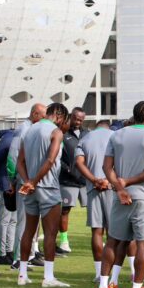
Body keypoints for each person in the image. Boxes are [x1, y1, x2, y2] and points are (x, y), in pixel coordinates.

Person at [96, 102, 144, 288]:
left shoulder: (116, 134)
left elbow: (107, 167)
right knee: (143, 243)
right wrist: (128, 182)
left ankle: (103, 286)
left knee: (113, 240)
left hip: (120, 197)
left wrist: (120, 188)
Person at [16, 103, 70, 288]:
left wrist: (27, 181)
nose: (63, 122)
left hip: (30, 188)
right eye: (63, 118)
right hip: (47, 187)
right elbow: (50, 159)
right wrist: (34, 181)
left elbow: (19, 161)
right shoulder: (56, 131)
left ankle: (22, 275)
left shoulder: (30, 129)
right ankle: (48, 277)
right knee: (50, 233)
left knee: (28, 231)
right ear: (58, 115)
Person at [8, 103, 46, 269]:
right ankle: (17, 259)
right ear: (35, 114)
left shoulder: (33, 129)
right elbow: (13, 156)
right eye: (43, 115)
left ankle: (28, 255)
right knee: (23, 221)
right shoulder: (24, 130)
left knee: (32, 221)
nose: (45, 119)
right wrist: (12, 179)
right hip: (24, 182)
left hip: (31, 182)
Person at [75, 120, 114, 283]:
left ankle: (99, 273)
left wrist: (94, 180)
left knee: (97, 231)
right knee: (116, 233)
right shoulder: (115, 136)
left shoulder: (84, 139)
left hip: (93, 189)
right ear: (108, 126)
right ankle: (115, 273)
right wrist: (108, 180)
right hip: (113, 188)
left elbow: (79, 163)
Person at [58, 107, 88, 253]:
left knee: (95, 209)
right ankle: (64, 241)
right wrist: (67, 169)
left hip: (85, 180)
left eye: (81, 119)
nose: (78, 122)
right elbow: (56, 156)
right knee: (65, 211)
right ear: (71, 117)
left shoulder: (87, 134)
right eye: (76, 118)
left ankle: (100, 238)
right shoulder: (62, 134)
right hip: (67, 180)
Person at [0, 127, 16, 265]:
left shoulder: (13, 138)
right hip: (6, 185)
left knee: (12, 220)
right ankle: (1, 254)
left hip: (14, 184)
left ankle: (9, 251)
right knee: (4, 219)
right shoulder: (9, 139)